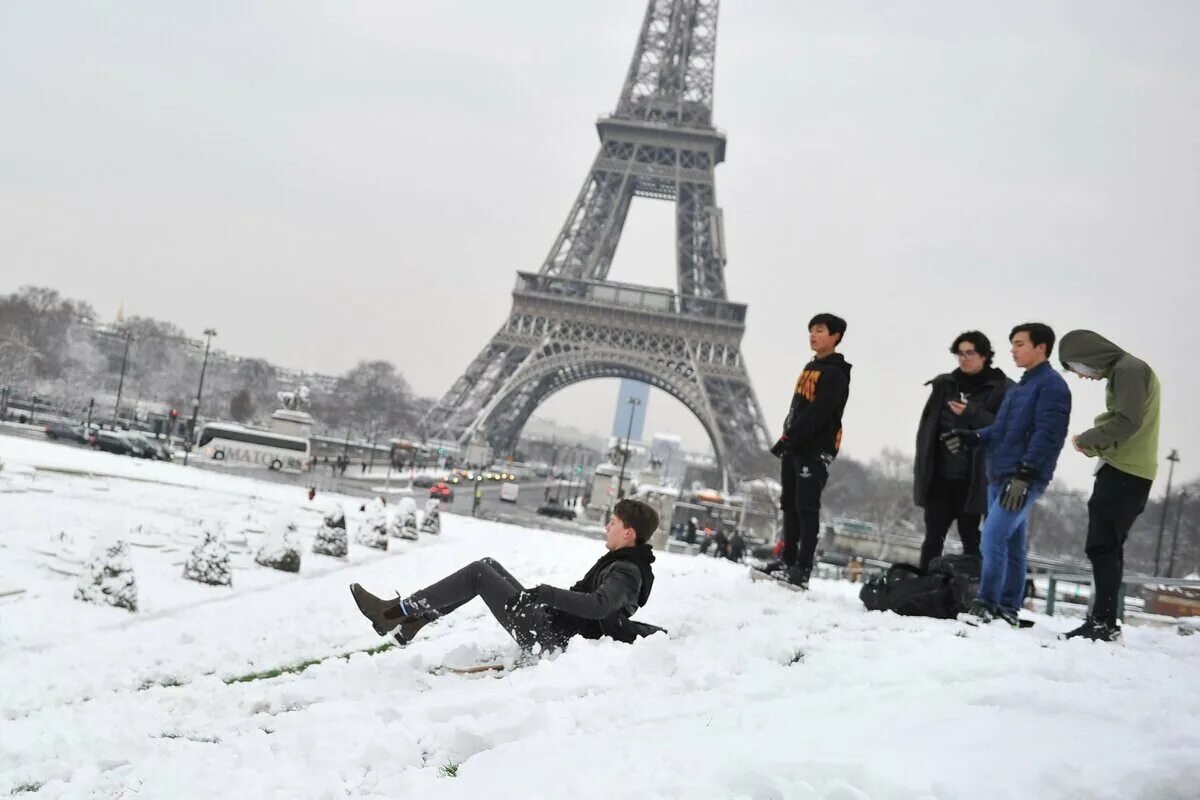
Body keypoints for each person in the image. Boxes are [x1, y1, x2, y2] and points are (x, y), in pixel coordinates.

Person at [349, 498, 664, 652]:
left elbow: (598, 606)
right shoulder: (624, 562)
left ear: (629, 533)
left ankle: (393, 613)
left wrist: (546, 593)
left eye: (613, 523)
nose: (607, 527)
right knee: (488, 563)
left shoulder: (626, 570)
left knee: (478, 574)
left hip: (552, 638)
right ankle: (415, 621)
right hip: (553, 625)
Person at [943, 323, 1071, 626]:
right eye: (1013, 344)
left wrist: (1026, 474)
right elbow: (1000, 429)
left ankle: (987, 603)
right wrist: (972, 436)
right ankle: (1008, 608)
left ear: (1041, 348)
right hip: (999, 474)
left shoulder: (1052, 386)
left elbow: (1048, 435)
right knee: (1012, 545)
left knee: (992, 537)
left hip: (1022, 478)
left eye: (1019, 344)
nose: (1012, 350)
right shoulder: (1021, 388)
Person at [1057, 330, 1161, 642]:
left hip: (1124, 472)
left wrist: (1088, 440)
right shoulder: (1127, 370)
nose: (1084, 376)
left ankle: (1102, 623)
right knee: (1108, 547)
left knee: (1102, 547)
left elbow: (1127, 421)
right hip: (1129, 471)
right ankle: (1104, 620)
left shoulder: (1128, 369)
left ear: (1089, 356)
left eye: (1080, 369)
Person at [764, 313, 852, 588]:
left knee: (806, 508)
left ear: (835, 336)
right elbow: (800, 407)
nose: (813, 335)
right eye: (811, 330)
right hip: (795, 445)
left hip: (813, 449)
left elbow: (820, 412)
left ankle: (802, 567)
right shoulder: (811, 367)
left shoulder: (836, 373)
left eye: (820, 330)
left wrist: (790, 436)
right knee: (790, 506)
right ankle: (788, 560)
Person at [913, 331, 1012, 570]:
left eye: (970, 353)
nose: (964, 358)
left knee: (972, 540)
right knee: (932, 538)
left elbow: (1003, 430)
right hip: (940, 477)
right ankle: (923, 587)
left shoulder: (1003, 389)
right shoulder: (945, 385)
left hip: (975, 481)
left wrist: (971, 413)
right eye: (960, 353)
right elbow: (926, 431)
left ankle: (972, 587)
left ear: (985, 356)